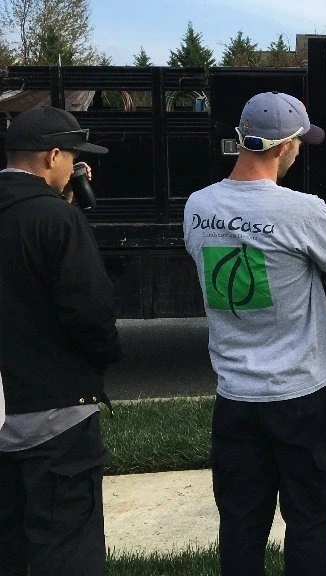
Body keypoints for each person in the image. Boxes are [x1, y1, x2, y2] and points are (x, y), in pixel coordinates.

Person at [183, 91, 326, 576]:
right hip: (301, 393)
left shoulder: (197, 206)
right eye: (300, 144)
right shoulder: (302, 210)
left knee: (240, 524)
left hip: (235, 395)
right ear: (286, 147)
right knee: (308, 519)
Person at [0, 106, 122, 576]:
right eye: (73, 158)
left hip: (5, 409)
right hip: (56, 416)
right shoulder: (57, 222)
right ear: (54, 156)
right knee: (67, 545)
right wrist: (107, 356)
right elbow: (90, 314)